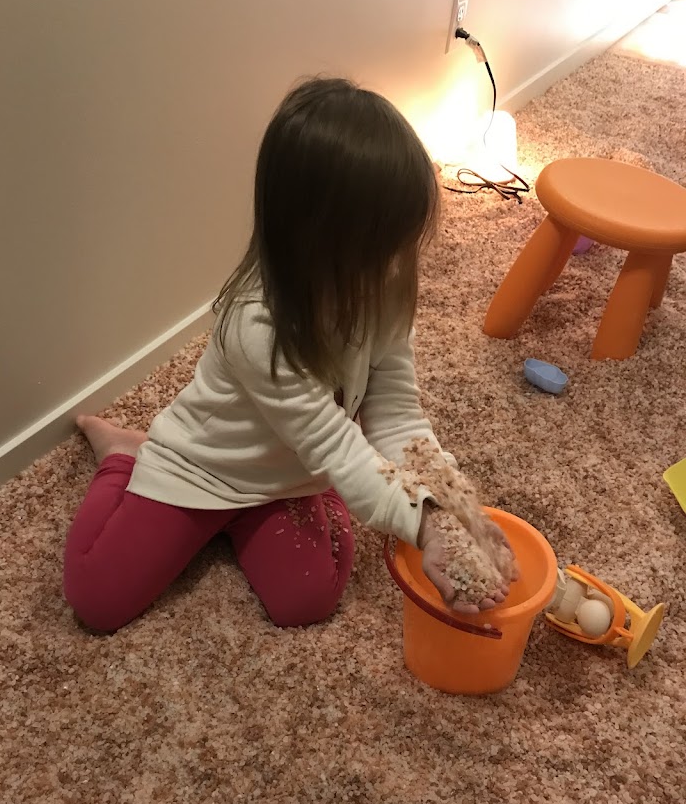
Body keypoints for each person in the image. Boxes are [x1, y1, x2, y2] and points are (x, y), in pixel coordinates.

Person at [64, 76, 513, 634]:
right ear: (313, 241)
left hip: (291, 475)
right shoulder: (256, 323)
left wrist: (451, 506)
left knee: (309, 599)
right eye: (380, 249)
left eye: (399, 246)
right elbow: (335, 444)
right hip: (202, 468)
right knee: (96, 601)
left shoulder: (384, 286)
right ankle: (122, 454)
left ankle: (304, 497)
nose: (396, 266)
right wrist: (421, 523)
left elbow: (397, 415)